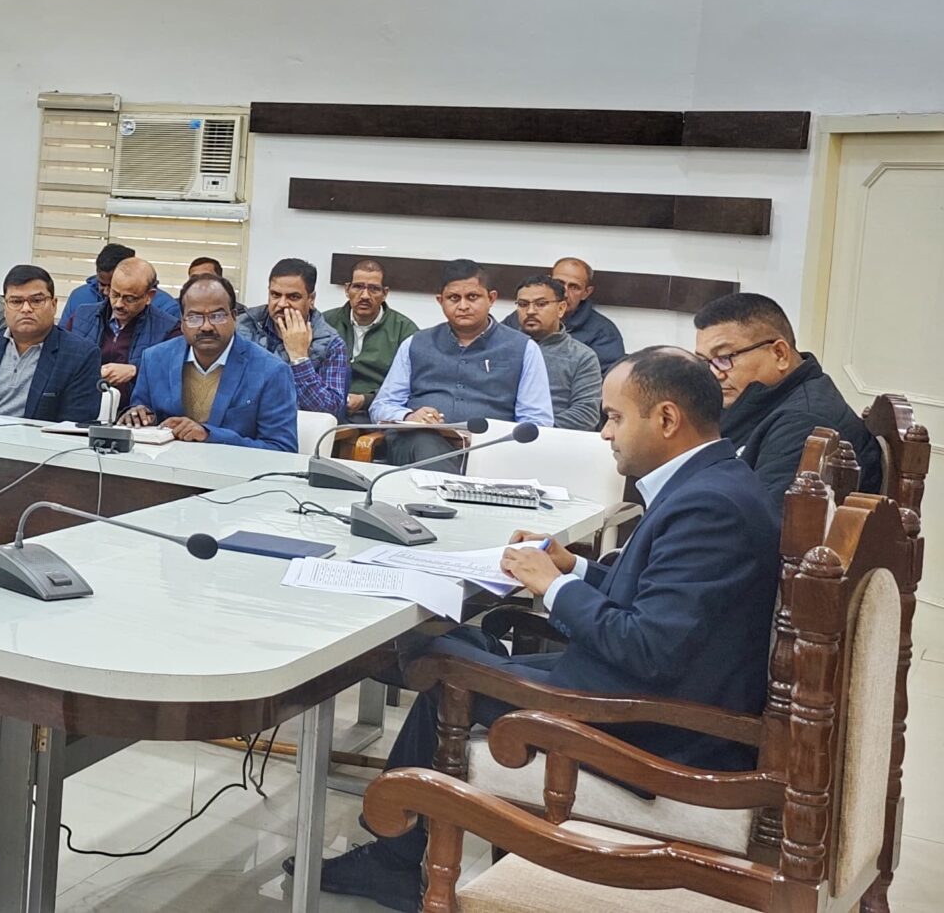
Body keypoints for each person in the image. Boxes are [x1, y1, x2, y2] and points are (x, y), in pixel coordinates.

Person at [310, 348, 778, 911]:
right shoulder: (715, 481)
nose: (605, 434)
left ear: (667, 419)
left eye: (615, 417)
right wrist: (572, 567)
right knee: (463, 645)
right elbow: (656, 599)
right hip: (643, 687)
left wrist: (551, 587)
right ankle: (394, 847)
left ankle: (390, 854)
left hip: (654, 722)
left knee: (437, 665)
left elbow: (648, 647)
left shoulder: (710, 507)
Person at [369, 259, 555, 465]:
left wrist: (491, 438)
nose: (463, 306)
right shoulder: (415, 343)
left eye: (472, 297)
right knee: (424, 440)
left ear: (491, 298)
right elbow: (382, 405)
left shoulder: (524, 348)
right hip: (416, 444)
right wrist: (409, 416)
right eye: (454, 298)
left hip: (489, 451)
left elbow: (537, 421)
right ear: (440, 301)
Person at [694, 292, 881, 494]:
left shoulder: (804, 422)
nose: (714, 374)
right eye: (705, 362)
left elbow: (766, 512)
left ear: (780, 354)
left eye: (724, 358)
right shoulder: (754, 397)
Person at [120, 274, 300, 451]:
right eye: (194, 318)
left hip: (232, 469)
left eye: (217, 316)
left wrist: (209, 435)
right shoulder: (154, 359)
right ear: (182, 322)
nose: (206, 326)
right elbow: (143, 416)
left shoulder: (271, 371)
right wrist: (139, 417)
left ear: (234, 317)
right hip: (164, 466)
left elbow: (282, 449)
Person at [0, 265, 105, 423]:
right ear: (5, 307)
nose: (26, 309)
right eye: (16, 301)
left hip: (39, 438)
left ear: (54, 305)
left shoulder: (81, 355)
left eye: (36, 301)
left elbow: (75, 423)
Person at [233, 258, 349, 417]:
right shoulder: (241, 326)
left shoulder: (331, 343)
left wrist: (299, 358)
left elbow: (330, 410)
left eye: (293, 297)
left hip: (294, 427)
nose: (282, 304)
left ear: (311, 299)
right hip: (240, 421)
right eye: (275, 295)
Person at [326, 258, 419, 422]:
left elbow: (410, 386)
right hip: (326, 407)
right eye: (358, 287)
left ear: (385, 293)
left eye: (374, 289)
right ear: (347, 289)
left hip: (373, 415)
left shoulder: (404, 330)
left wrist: (366, 399)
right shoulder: (326, 322)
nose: (364, 295)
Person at [510, 275, 605, 431]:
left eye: (541, 304)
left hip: (554, 437)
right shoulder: (502, 347)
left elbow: (586, 413)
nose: (530, 311)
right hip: (501, 434)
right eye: (523, 304)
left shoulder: (582, 356)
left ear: (561, 308)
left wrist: (537, 429)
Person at [75, 257, 182, 392]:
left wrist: (135, 370)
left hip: (134, 403)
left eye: (129, 299)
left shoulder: (169, 329)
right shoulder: (82, 316)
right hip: (83, 400)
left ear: (149, 296)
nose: (119, 304)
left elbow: (174, 375)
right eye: (115, 294)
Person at [501, 256, 625, 371]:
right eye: (559, 283)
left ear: (586, 293)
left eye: (574, 287)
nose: (565, 293)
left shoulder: (603, 333)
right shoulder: (522, 317)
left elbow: (607, 380)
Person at [58, 242, 180, 334]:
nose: (106, 292)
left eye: (112, 285)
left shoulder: (167, 308)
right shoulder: (79, 297)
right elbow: (62, 339)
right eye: (102, 284)